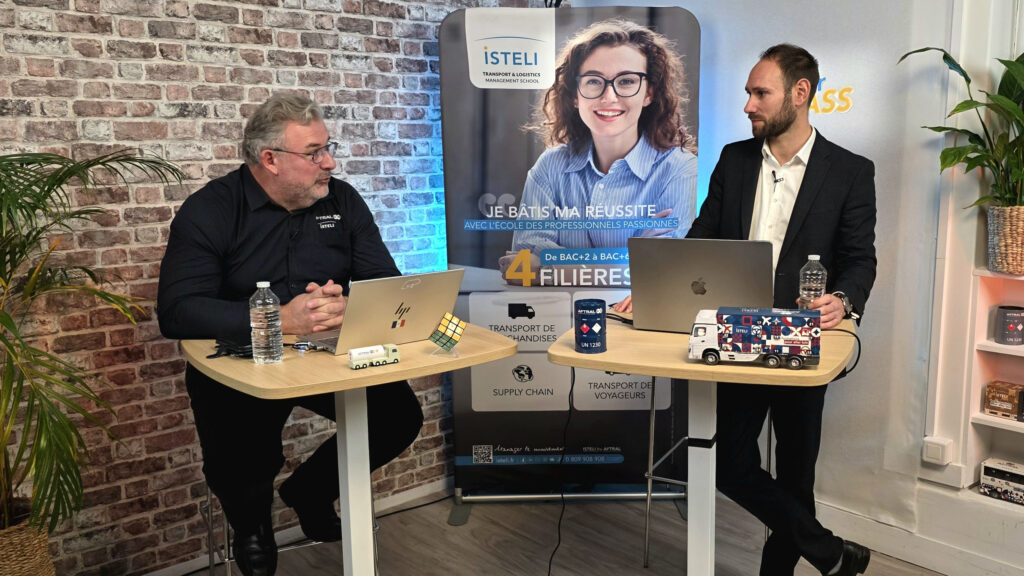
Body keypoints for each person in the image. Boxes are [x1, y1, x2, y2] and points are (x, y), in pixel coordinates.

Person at [618, 44, 876, 576]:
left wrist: (844, 298)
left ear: (800, 94)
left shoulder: (851, 171)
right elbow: (702, 239)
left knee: (796, 473)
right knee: (730, 463)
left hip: (803, 335)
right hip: (736, 333)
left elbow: (859, 259)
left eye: (761, 93)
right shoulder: (734, 160)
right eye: (748, 93)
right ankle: (830, 554)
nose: (749, 105)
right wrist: (655, 288)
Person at [157, 94, 424, 576]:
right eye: (316, 152)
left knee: (398, 416)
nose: (330, 162)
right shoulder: (210, 210)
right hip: (241, 362)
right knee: (245, 464)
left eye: (328, 148)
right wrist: (280, 319)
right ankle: (253, 530)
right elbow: (177, 312)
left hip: (326, 356)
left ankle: (310, 490)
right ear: (270, 160)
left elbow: (383, 280)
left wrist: (350, 306)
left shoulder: (342, 199)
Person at [499, 19, 698, 284]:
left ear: (649, 93)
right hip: (554, 320)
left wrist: (550, 268)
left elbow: (664, 271)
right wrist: (628, 260)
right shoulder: (549, 167)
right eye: (594, 81)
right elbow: (522, 265)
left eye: (626, 81)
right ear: (574, 94)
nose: (609, 96)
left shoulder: (680, 170)